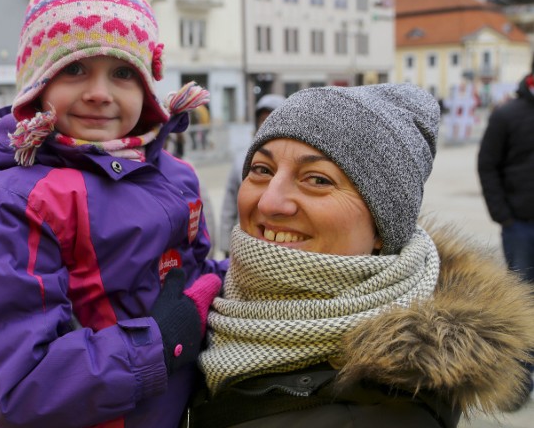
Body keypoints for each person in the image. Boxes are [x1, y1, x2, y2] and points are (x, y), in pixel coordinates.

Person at [0, 0, 226, 428]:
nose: (99, 92)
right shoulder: (15, 201)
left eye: (122, 72)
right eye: (74, 69)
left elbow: (198, 273)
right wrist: (161, 342)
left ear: (148, 88)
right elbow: (18, 388)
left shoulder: (175, 174)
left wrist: (239, 279)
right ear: (36, 85)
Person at [189, 84, 534, 427]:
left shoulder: (386, 411)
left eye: (318, 179)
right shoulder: (203, 303)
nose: (269, 202)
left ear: (383, 229)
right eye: (262, 170)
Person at [478, 68, 534, 284]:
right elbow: (487, 165)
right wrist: (503, 216)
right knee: (523, 299)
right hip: (520, 226)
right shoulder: (506, 115)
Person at [218, 93, 285, 256]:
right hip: (247, 244)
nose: (268, 124)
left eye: (274, 118)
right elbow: (229, 204)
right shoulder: (243, 158)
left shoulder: (297, 160)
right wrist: (227, 245)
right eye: (263, 119)